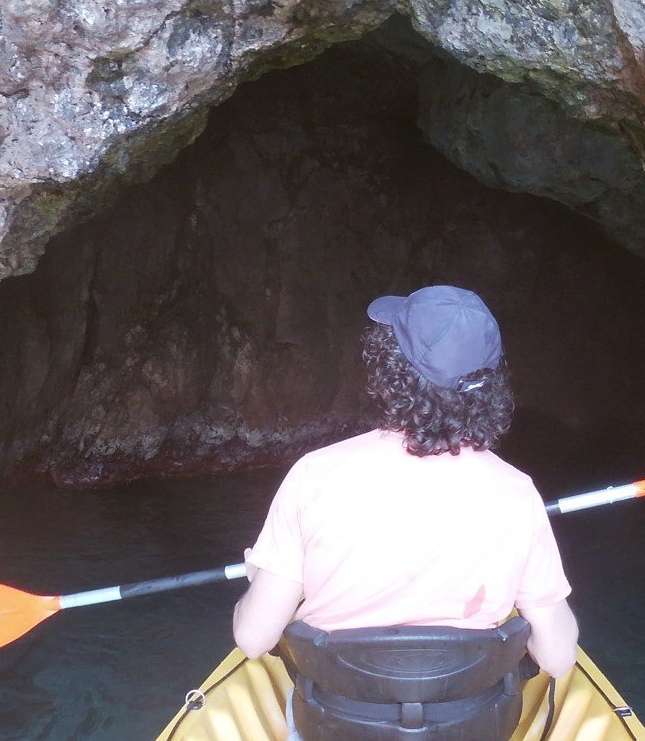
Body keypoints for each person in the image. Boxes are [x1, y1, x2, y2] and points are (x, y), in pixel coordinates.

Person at [232, 284, 578, 696]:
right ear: (488, 388)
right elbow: (557, 659)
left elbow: (253, 640)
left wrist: (262, 579)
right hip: (468, 725)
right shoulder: (517, 493)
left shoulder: (315, 476)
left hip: (336, 724)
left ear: (389, 372)